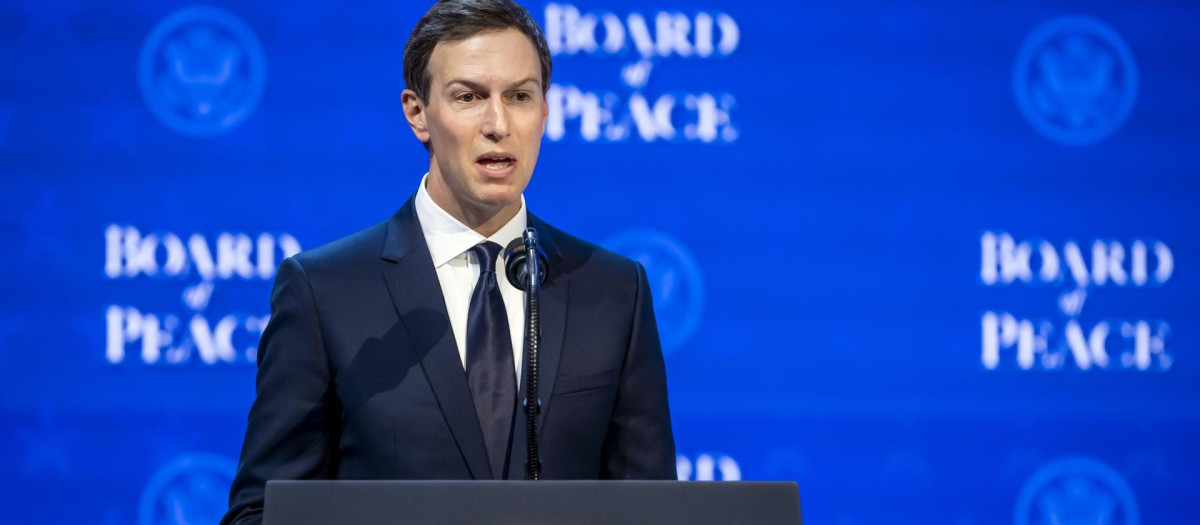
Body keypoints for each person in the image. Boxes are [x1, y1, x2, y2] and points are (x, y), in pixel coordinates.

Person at [221, 1, 676, 523]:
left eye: (520, 97)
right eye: (469, 97)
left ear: (545, 113)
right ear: (418, 113)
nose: (498, 123)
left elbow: (653, 508)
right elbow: (260, 513)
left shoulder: (614, 289)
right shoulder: (325, 292)